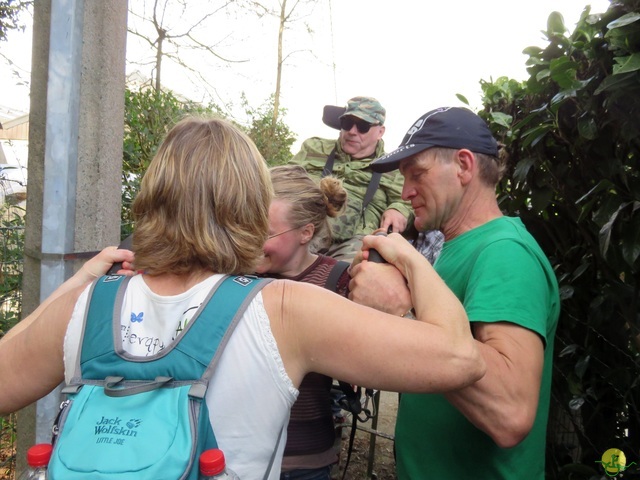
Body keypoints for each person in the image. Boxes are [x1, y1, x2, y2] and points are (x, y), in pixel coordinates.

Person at [0, 115, 485, 479]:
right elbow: (460, 359)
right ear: (251, 203)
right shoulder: (283, 308)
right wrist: (412, 257)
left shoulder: (86, 305)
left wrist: (77, 285)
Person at [348, 106, 560, 479]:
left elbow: (509, 412)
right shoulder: (456, 249)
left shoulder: (504, 253)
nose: (405, 191)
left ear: (463, 166)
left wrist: (403, 311)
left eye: (417, 174)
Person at [255, 164, 349, 479]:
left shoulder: (339, 280)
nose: (252, 242)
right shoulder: (238, 275)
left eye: (265, 233)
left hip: (305, 457)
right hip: (242, 451)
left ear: (305, 233)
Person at [290, 96, 412, 262]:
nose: (352, 132)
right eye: (347, 123)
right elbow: (283, 180)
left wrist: (399, 209)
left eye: (363, 126)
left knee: (346, 276)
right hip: (304, 227)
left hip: (355, 241)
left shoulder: (393, 167)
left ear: (380, 132)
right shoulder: (314, 148)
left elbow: (410, 202)